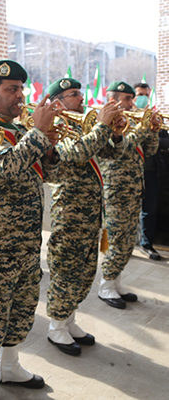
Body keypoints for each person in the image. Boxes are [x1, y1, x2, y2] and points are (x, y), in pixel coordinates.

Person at [0, 60, 64, 400]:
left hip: (25, 242)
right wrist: (37, 133)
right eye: (11, 90)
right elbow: (5, 168)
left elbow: (51, 175)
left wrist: (48, 144)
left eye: (21, 88)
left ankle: (8, 365)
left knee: (21, 308)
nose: (19, 96)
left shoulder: (22, 131)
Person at [43, 77, 120, 356]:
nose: (81, 98)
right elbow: (77, 153)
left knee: (85, 270)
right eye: (74, 94)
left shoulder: (83, 125)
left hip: (90, 212)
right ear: (58, 102)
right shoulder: (57, 127)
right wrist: (101, 126)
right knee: (66, 270)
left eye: (79, 93)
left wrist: (116, 131)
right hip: (71, 213)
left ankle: (69, 320)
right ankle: (56, 327)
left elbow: (111, 153)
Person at [97, 81, 159, 309]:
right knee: (116, 239)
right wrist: (143, 128)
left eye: (133, 99)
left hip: (134, 188)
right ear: (113, 100)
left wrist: (152, 130)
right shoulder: (104, 121)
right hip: (116, 189)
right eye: (128, 99)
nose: (133, 103)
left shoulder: (133, 121)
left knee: (127, 240)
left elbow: (150, 150)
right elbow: (122, 148)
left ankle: (116, 281)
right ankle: (105, 286)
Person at [134, 81, 169, 260]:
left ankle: (146, 245)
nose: (142, 98)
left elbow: (165, 142)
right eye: (139, 94)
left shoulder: (156, 117)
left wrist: (152, 131)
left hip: (151, 171)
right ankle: (124, 244)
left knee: (149, 210)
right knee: (126, 210)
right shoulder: (125, 117)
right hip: (130, 173)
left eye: (145, 95)